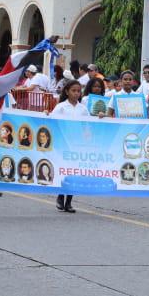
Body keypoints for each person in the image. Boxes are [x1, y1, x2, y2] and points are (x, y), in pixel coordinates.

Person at [50, 79, 88, 213]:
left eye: (78, 91)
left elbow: (87, 126)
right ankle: (60, 196)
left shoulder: (83, 109)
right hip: (63, 143)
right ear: (67, 92)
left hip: (78, 144)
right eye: (73, 91)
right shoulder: (61, 107)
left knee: (74, 172)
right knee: (64, 171)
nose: (76, 93)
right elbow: (52, 122)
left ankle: (69, 202)